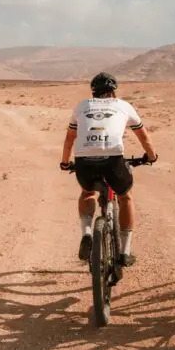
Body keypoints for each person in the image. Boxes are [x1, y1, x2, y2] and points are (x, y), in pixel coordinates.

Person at [60, 72, 158, 267]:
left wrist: (65, 162)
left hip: (84, 160)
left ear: (93, 92)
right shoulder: (123, 105)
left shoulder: (82, 106)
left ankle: (87, 232)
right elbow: (143, 136)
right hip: (113, 160)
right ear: (113, 91)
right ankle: (125, 252)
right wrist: (151, 156)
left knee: (87, 193)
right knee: (125, 197)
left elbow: (70, 137)